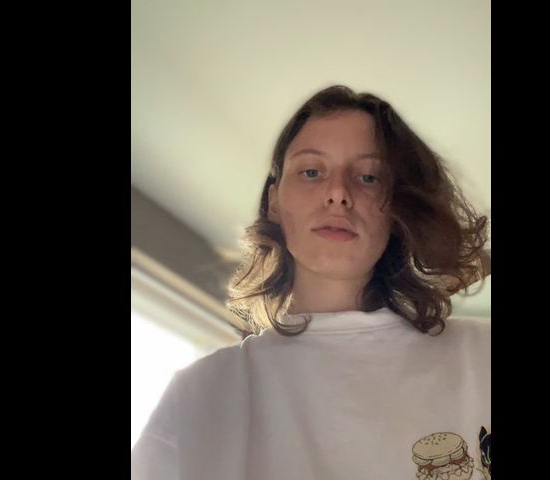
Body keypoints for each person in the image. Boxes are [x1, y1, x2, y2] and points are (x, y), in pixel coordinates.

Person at [131, 85, 491, 480]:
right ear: (274, 201)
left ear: (397, 208)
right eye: (311, 172)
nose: (338, 193)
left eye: (368, 177)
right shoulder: (200, 397)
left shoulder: (481, 355)